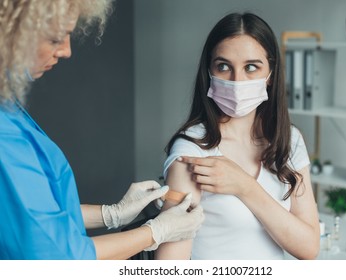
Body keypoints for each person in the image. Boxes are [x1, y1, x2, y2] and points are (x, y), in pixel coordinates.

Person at [0, 0, 204, 260]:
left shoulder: (8, 106)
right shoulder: (4, 134)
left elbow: (27, 216)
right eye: (54, 39)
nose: (66, 51)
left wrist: (110, 214)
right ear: (10, 33)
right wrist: (155, 232)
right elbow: (61, 258)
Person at [155, 12, 320, 260]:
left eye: (251, 67)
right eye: (223, 66)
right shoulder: (192, 151)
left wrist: (246, 187)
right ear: (209, 72)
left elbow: (309, 247)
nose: (237, 80)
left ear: (270, 75)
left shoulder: (289, 139)